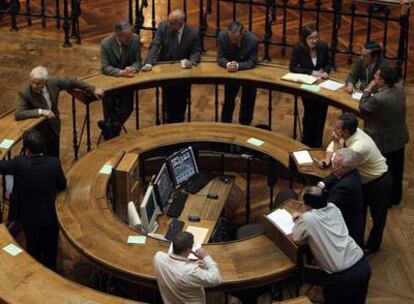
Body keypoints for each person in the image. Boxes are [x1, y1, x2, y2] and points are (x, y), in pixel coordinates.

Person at [316, 113, 391, 255]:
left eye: (337, 128)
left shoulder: (359, 146)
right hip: (364, 181)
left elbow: (340, 161)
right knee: (359, 215)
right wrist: (327, 159)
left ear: (345, 132)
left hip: (379, 183)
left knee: (378, 218)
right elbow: (334, 146)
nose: (334, 130)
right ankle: (358, 243)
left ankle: (373, 246)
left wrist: (336, 147)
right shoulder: (351, 134)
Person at [0, 130, 67, 271]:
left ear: (27, 150)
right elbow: (62, 185)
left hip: (29, 218)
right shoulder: (54, 163)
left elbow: (1, 166)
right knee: (50, 252)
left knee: (33, 250)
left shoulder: (19, 163)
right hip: (50, 217)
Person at [292, 186, 371, 304]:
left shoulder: (308, 219)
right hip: (362, 265)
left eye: (303, 203)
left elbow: (297, 238)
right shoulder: (334, 208)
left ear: (307, 205)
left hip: (342, 278)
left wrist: (299, 219)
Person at [15, 66, 103, 158]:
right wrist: (41, 111)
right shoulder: (25, 92)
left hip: (54, 126)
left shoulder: (53, 82)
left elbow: (72, 82)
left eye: (38, 83)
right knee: (41, 160)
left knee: (54, 156)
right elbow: (19, 114)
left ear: (45, 82)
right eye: (32, 82)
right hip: (38, 133)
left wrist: (92, 89)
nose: (34, 86)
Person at [360, 64, 409, 206]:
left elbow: (363, 107)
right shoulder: (400, 89)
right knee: (397, 169)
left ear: (383, 81)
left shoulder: (378, 98)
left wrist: (368, 89)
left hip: (384, 140)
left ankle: (385, 201)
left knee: (385, 172)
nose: (374, 77)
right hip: (398, 136)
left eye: (377, 76)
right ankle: (396, 197)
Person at [142, 9, 202, 123]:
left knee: (182, 99)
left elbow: (197, 51)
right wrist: (149, 63)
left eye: (172, 23)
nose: (169, 25)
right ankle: (167, 120)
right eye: (169, 21)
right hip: (166, 70)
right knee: (167, 99)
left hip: (183, 72)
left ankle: (178, 122)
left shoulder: (193, 33)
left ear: (180, 23)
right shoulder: (163, 27)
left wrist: (192, 61)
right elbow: (155, 45)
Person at [289, 25, 332, 148]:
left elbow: (328, 63)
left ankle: (317, 142)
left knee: (321, 114)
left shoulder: (323, 47)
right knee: (310, 113)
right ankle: (307, 140)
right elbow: (293, 67)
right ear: (304, 39)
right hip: (308, 85)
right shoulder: (298, 48)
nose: (314, 40)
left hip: (322, 85)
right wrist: (312, 72)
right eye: (311, 38)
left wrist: (325, 72)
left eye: (316, 37)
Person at [153, 231, 221, 304]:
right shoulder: (189, 272)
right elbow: (216, 279)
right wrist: (205, 257)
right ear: (188, 250)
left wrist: (192, 265)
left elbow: (174, 265)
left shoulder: (158, 257)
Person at [100, 20, 141, 139]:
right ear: (118, 34)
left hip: (127, 81)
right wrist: (121, 72)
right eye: (126, 37)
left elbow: (138, 61)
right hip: (110, 81)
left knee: (127, 109)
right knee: (109, 111)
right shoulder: (106, 44)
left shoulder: (135, 39)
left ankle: (109, 128)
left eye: (130, 35)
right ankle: (111, 131)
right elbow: (105, 67)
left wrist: (133, 68)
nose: (129, 39)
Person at [317, 148, 364, 248]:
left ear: (348, 167)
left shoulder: (346, 186)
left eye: (338, 165)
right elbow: (334, 175)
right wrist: (322, 184)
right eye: (334, 163)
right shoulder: (348, 171)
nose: (334, 167)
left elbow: (329, 207)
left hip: (346, 224)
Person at [217, 21, 259, 125]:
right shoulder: (222, 36)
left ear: (242, 34)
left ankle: (245, 124)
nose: (232, 41)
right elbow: (220, 57)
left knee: (248, 99)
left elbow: (252, 61)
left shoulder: (253, 40)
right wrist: (227, 64)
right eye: (231, 38)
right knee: (229, 99)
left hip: (247, 73)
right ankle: (225, 124)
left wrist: (238, 66)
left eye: (235, 39)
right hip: (231, 72)